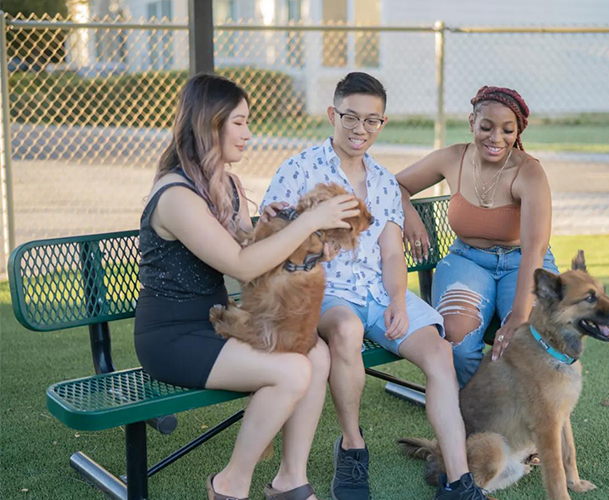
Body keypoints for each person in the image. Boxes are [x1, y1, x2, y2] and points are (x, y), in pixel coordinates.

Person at [261, 72, 489, 500]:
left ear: (382, 123)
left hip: (379, 291)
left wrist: (399, 301)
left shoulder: (384, 181)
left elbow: (390, 253)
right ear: (333, 114)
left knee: (440, 352)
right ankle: (352, 446)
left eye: (372, 121)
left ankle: (459, 482)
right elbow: (269, 235)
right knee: (346, 330)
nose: (359, 129)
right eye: (351, 117)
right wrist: (277, 223)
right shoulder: (299, 168)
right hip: (325, 291)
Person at [134, 74, 360, 500]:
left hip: (218, 323)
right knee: (293, 370)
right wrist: (309, 222)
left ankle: (290, 480)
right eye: (238, 122)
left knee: (316, 351)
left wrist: (284, 231)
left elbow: (254, 263)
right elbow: (238, 263)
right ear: (209, 122)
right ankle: (229, 486)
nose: (248, 133)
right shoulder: (176, 195)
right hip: (172, 338)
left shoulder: (228, 185)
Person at [396, 86, 560, 388]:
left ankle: (517, 412)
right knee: (457, 340)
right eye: (486, 127)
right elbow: (396, 187)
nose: (496, 138)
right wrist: (410, 216)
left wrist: (519, 317)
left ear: (517, 131)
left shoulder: (530, 173)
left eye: (507, 130)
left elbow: (535, 251)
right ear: (472, 122)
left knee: (529, 339)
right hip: (467, 259)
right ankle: (474, 411)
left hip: (524, 262)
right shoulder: (452, 158)